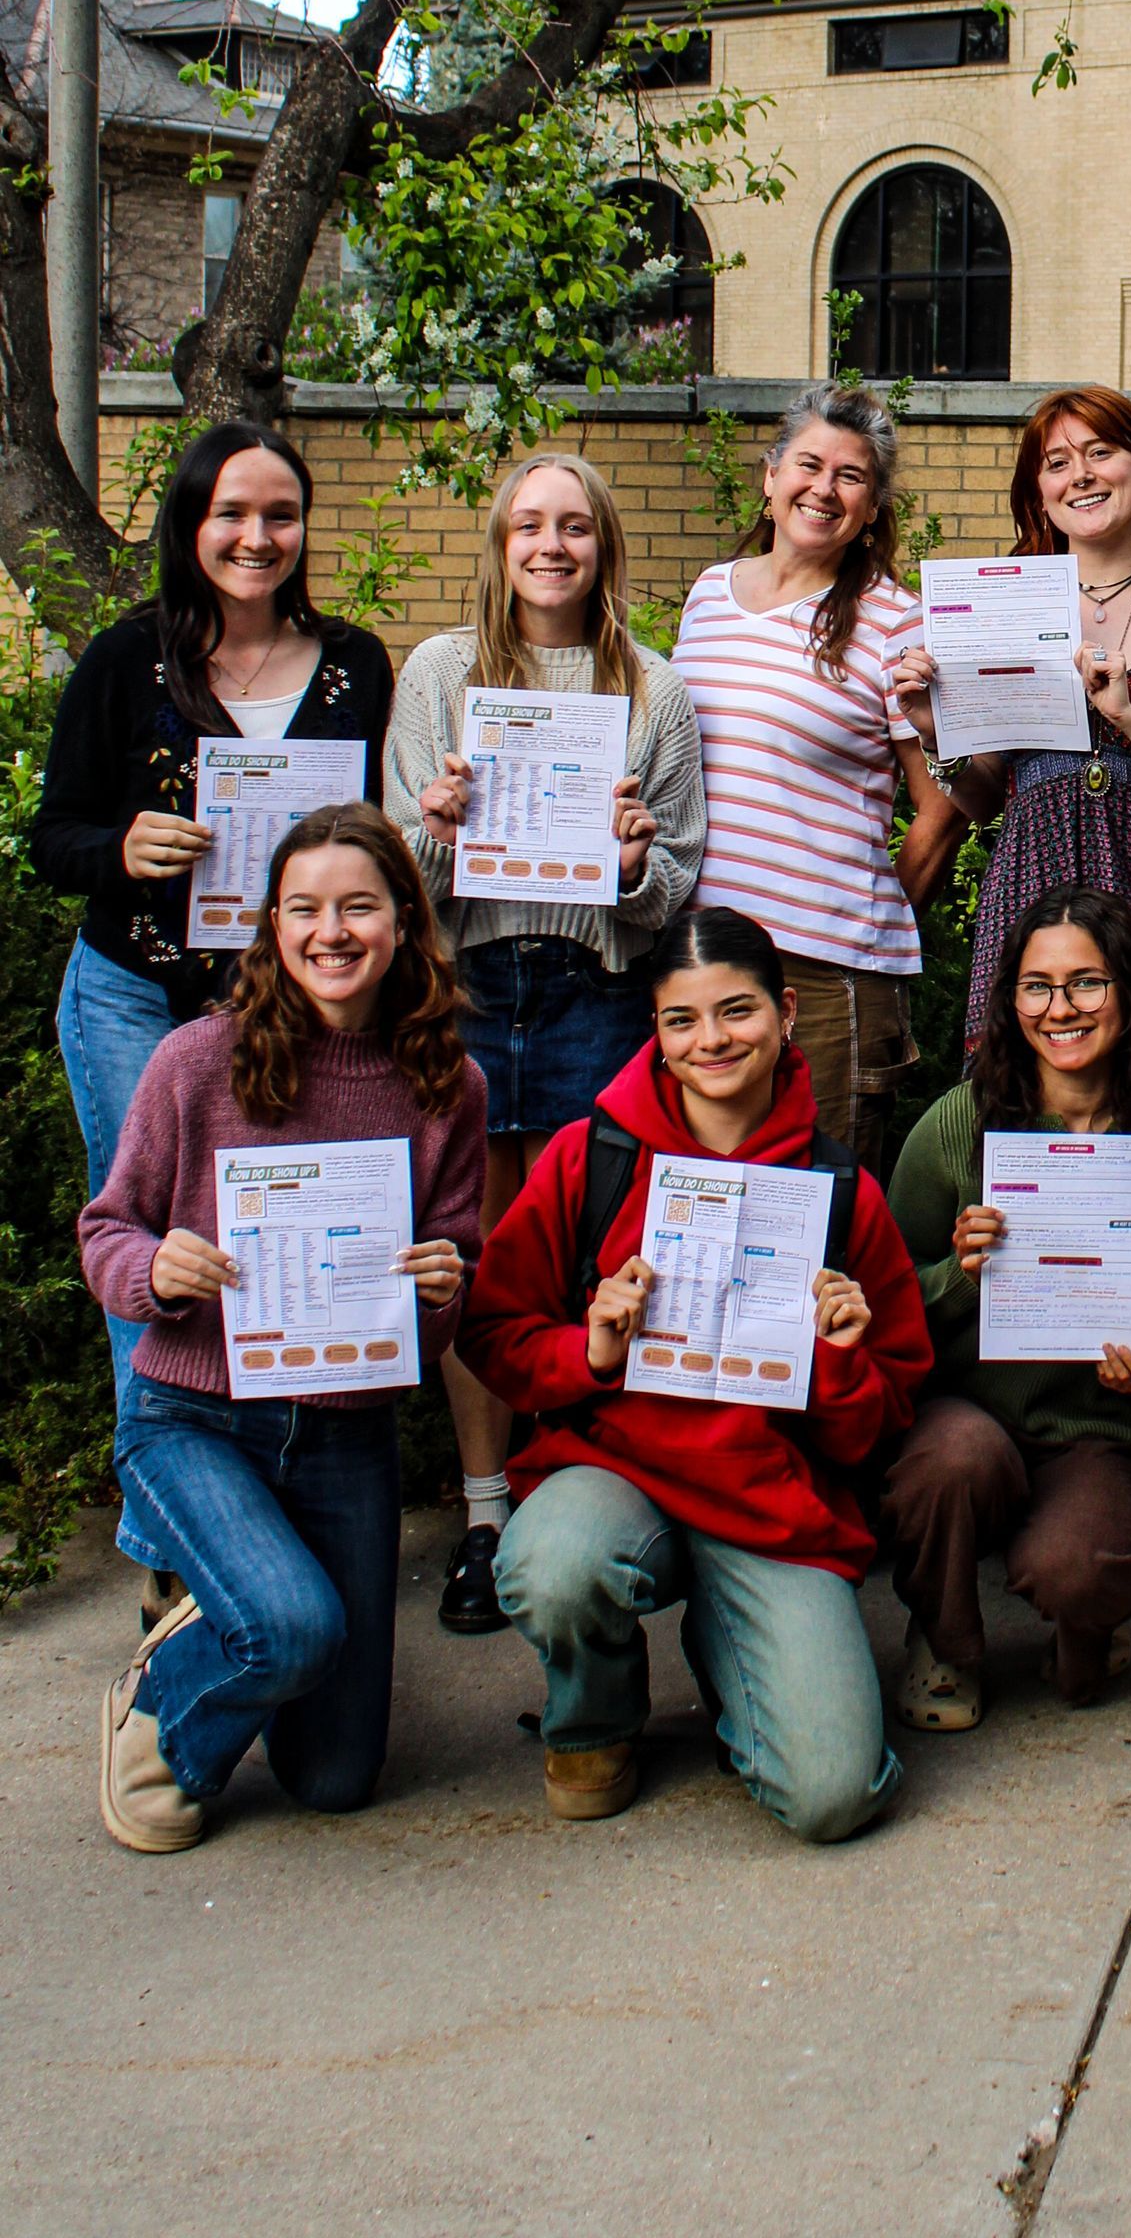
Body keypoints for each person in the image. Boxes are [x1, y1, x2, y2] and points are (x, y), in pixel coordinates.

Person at [459, 905, 933, 1842]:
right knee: (553, 1565)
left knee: (836, 1796)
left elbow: (887, 1421)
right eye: (683, 1020)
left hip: (765, 1499)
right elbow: (492, 1332)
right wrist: (589, 1350)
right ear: (657, 1032)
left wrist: (839, 1362)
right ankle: (591, 1719)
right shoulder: (592, 1156)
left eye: (737, 1011)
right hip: (615, 1476)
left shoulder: (838, 1192)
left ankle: (736, 1649)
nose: (712, 1040)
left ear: (787, 1012)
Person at [30, 420, 392, 1610]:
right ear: (192, 525)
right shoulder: (126, 660)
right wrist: (123, 847)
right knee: (152, 1260)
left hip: (293, 1017)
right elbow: (54, 840)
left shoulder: (353, 665)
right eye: (232, 513)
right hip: (140, 1000)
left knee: (275, 1249)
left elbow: (376, 835)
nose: (257, 536)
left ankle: (272, 1508)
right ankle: (172, 1547)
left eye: (279, 515)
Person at [79, 803, 485, 1852]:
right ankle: (167, 1700)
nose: (331, 932)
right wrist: (155, 1270)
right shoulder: (198, 1062)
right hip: (195, 1418)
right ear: (270, 925)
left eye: (359, 906)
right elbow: (106, 1231)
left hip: (346, 1433)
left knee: (336, 1780)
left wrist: (443, 1290)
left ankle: (245, 1617)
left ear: (405, 918)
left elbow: (441, 1312)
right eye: (303, 909)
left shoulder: (449, 1083)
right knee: (295, 1630)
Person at [385, 450, 705, 1638]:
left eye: (575, 526)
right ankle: (481, 1514)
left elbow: (671, 888)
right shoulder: (438, 675)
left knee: (575, 1254)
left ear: (605, 544)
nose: (552, 547)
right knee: (474, 1256)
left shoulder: (653, 690)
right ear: (500, 542)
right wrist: (432, 827)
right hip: (464, 989)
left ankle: (558, 1495)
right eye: (530, 526)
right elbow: (397, 881)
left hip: (591, 992)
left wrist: (628, 860)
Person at [883, 885, 1131, 1725]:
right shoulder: (957, 1127)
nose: (1058, 1008)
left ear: (1130, 992)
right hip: (968, 1416)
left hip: (1099, 1426)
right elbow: (884, 1308)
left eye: (1086, 984)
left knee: (1079, 1590)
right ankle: (944, 1640)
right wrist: (957, 1276)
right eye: (1036, 986)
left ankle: (1090, 1617)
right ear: (1010, 999)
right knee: (950, 1466)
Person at [893, 385, 1131, 1111]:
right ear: (1040, 492)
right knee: (1024, 1104)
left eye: (1101, 452)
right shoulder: (1004, 608)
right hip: (1031, 880)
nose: (1081, 475)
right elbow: (985, 795)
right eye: (1058, 462)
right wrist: (938, 730)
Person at [672, 380, 962, 1164]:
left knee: (813, 1203)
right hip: (700, 955)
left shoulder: (894, 620)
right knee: (700, 1191)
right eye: (808, 464)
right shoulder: (707, 598)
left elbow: (941, 810)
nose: (823, 489)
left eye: (851, 476)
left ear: (872, 509)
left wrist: (862, 918)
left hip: (827, 975)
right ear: (770, 477)